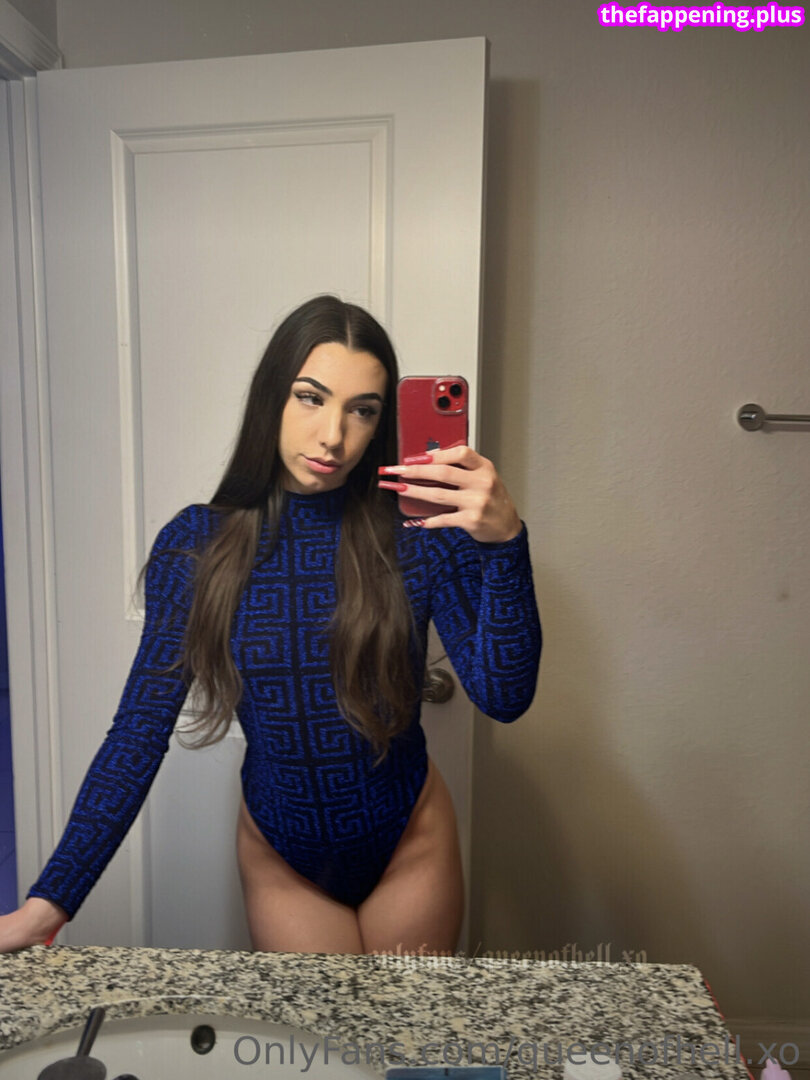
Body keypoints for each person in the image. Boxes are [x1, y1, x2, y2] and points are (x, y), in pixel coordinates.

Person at [0, 295, 541, 955]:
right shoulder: (196, 546)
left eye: (362, 410)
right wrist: (49, 904)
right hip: (284, 857)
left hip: (409, 839)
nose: (333, 436)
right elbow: (138, 731)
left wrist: (505, 545)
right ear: (271, 398)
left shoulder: (421, 531)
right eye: (310, 398)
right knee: (318, 1028)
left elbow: (504, 697)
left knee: (410, 1026)